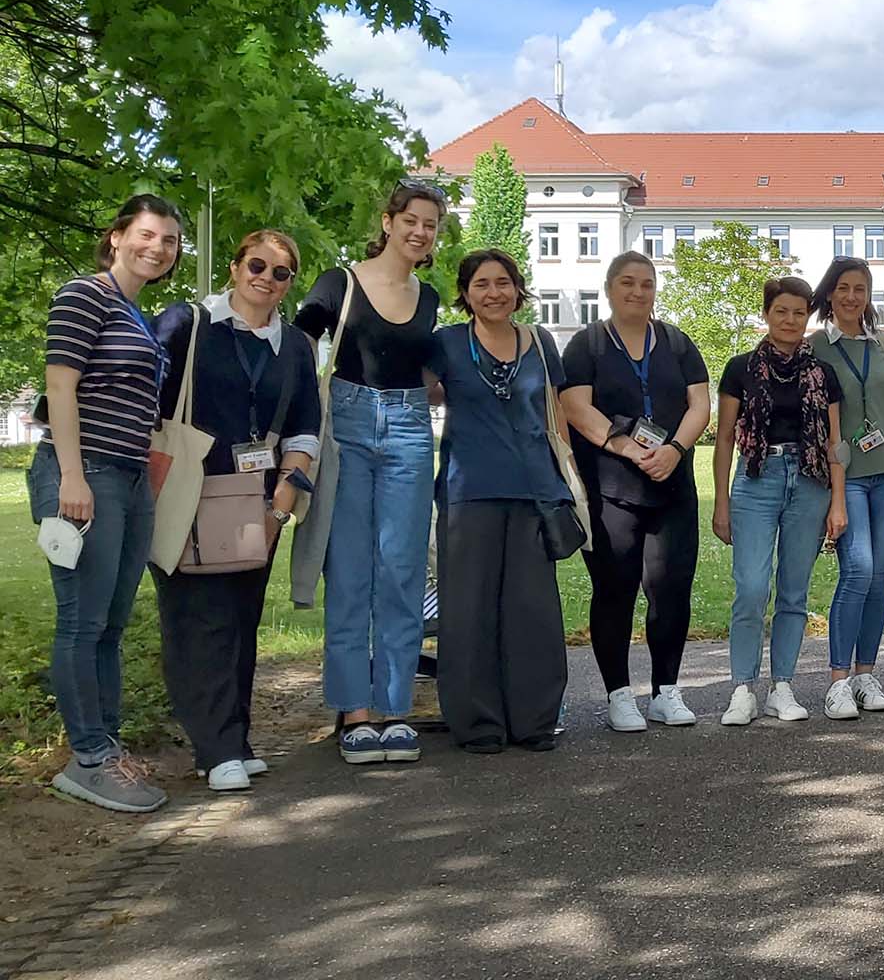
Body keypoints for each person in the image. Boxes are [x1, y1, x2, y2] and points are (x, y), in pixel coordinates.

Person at [151, 231, 322, 792]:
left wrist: (288, 491)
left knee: (242, 615)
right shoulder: (187, 324)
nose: (266, 278)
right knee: (197, 617)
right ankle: (216, 744)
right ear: (233, 267)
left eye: (281, 272)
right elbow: (141, 394)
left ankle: (232, 740)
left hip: (256, 496)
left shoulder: (294, 344)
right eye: (257, 264)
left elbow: (304, 421)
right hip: (187, 488)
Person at [32, 195, 183, 813]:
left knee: (112, 625)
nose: (159, 247)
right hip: (83, 472)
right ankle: (88, 759)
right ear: (116, 236)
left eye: (171, 240)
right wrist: (72, 475)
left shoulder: (137, 314)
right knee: (82, 621)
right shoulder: (84, 295)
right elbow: (60, 385)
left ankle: (109, 749)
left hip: (127, 476)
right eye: (148, 234)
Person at [293, 180, 445, 765]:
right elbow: (297, 350)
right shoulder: (341, 282)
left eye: (430, 224)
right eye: (410, 219)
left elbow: (435, 376)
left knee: (402, 571)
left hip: (409, 428)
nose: (420, 231)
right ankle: (355, 712)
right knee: (352, 569)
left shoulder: (428, 298)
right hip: (348, 428)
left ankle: (394, 708)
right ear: (388, 221)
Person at [560, 253, 711, 731]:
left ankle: (666, 690)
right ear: (609, 288)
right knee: (614, 591)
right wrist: (625, 447)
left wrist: (675, 449)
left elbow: (699, 402)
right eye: (627, 283)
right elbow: (574, 406)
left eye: (646, 284)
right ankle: (619, 695)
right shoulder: (587, 345)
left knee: (670, 591)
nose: (637, 292)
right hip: (611, 490)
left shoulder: (676, 343)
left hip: (671, 486)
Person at [428, 250, 572, 753]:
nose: (494, 292)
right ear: (466, 293)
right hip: (469, 493)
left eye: (504, 283)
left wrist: (567, 482)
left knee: (533, 612)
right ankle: (479, 724)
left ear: (518, 288)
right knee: (468, 611)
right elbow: (416, 395)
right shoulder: (445, 342)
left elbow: (557, 415)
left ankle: (534, 720)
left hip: (536, 493)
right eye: (482, 284)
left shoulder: (540, 341)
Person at [712, 277, 849, 725]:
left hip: (810, 482)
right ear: (767, 314)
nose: (790, 320)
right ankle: (742, 688)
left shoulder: (821, 372)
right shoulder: (740, 368)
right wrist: (721, 503)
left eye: (798, 313)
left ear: (807, 316)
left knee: (794, 591)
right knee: (751, 587)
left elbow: (836, 443)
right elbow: (726, 438)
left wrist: (838, 501)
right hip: (757, 477)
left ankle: (782, 686)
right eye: (781, 311)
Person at [808, 258, 884, 721]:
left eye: (860, 289)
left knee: (879, 574)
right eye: (843, 288)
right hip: (846, 476)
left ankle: (866, 673)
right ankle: (838, 681)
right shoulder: (815, 346)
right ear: (830, 294)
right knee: (857, 568)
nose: (852, 297)